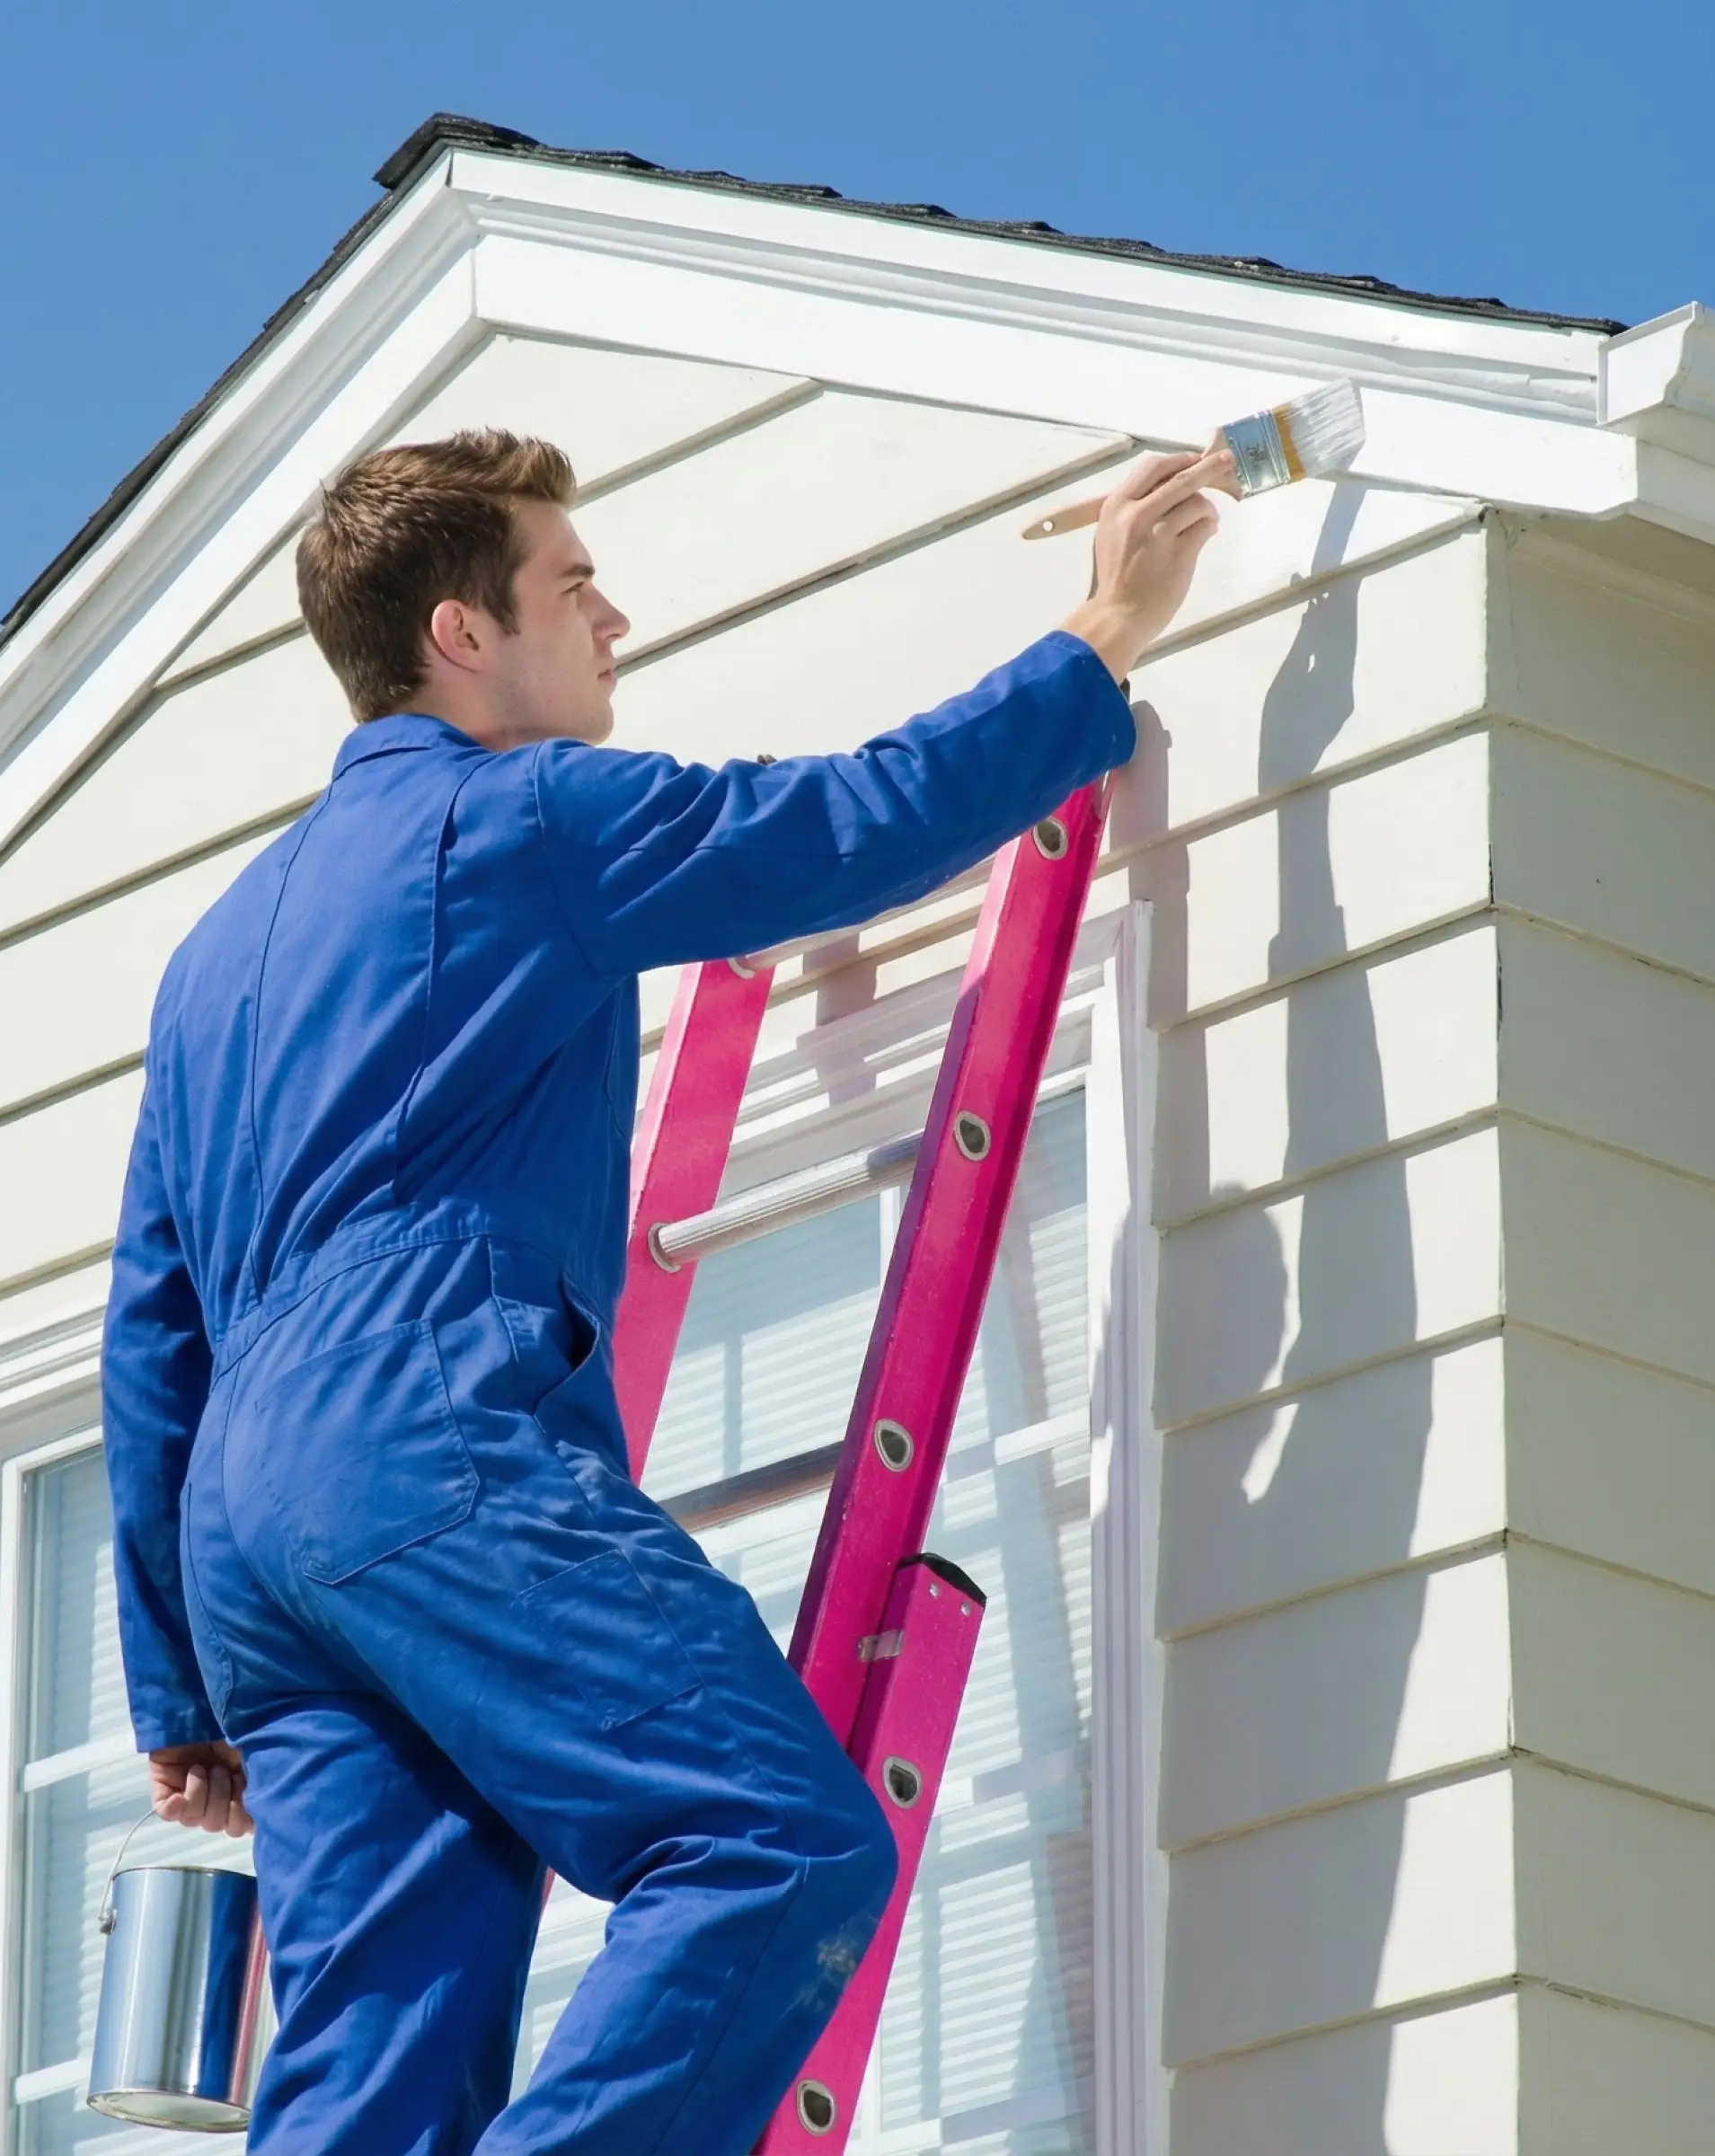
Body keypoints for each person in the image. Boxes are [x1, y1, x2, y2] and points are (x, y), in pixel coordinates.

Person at [100, 429, 1227, 2154]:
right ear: (463, 633)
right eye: (571, 584)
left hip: (251, 1538)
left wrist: (179, 1684)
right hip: (421, 1434)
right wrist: (1102, 638)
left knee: (374, 2055)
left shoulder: (211, 959)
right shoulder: (521, 816)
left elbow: (153, 1325)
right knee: (776, 1844)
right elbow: (847, 827)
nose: (614, 617)